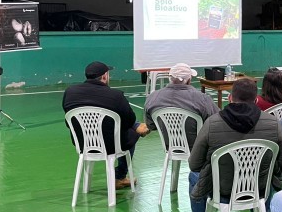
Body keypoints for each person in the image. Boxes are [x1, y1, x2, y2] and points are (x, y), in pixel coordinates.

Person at [186, 78, 282, 212]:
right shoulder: (273, 123)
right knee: (271, 174)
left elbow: (194, 164)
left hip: (220, 191)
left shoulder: (212, 123)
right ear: (256, 100)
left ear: (230, 98)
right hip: (258, 189)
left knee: (193, 176)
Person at [63, 61, 149, 189]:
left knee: (126, 123)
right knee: (131, 129)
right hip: (110, 145)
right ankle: (119, 176)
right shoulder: (116, 95)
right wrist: (133, 125)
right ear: (104, 76)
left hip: (83, 143)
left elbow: (68, 121)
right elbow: (129, 120)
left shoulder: (70, 92)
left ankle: (138, 127)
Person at [144, 63, 219, 145]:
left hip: (170, 148)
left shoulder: (153, 97)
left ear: (170, 78)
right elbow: (216, 123)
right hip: (199, 149)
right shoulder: (203, 99)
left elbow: (151, 126)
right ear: (189, 80)